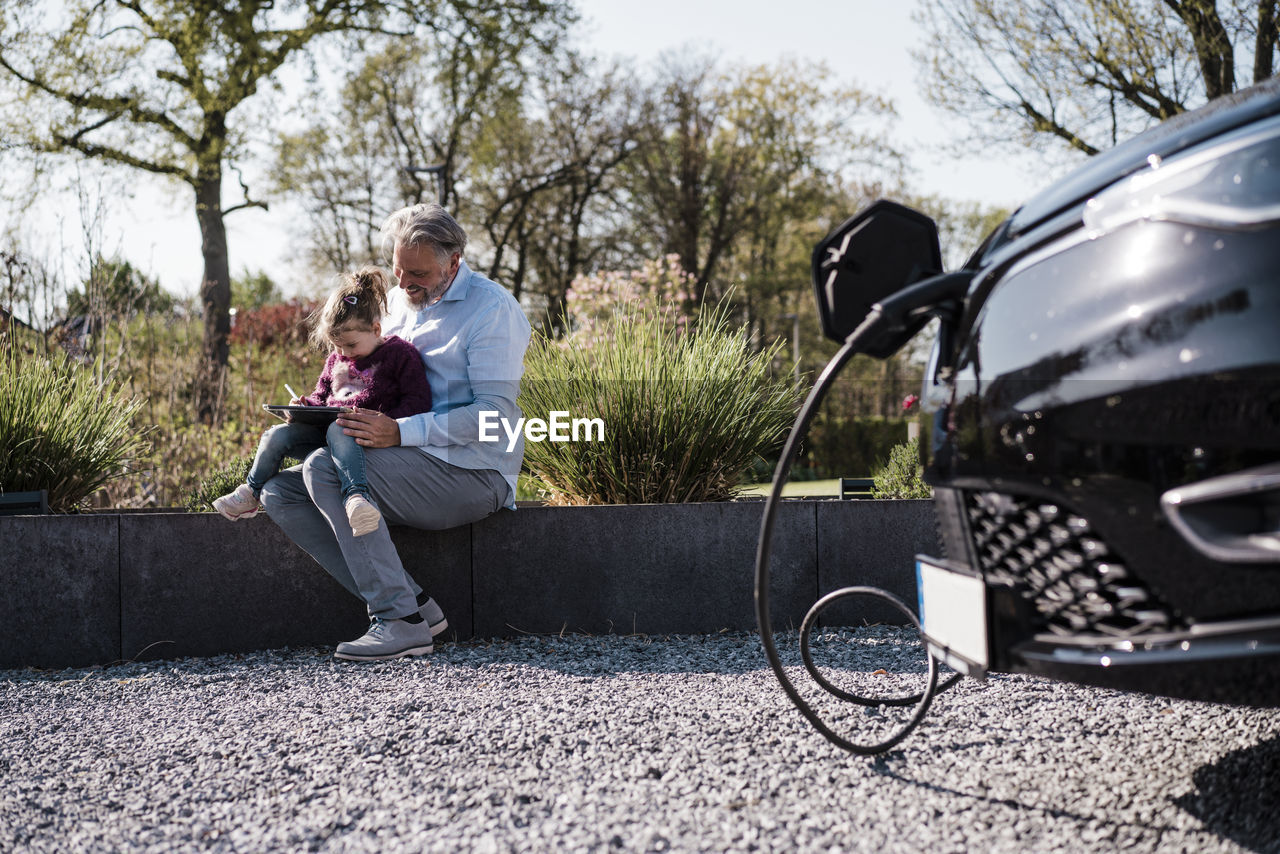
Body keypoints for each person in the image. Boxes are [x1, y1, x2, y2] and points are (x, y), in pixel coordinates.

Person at [258, 203, 532, 662]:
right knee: (277, 493)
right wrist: (318, 411)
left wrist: (399, 432)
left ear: (454, 262)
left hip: (473, 470)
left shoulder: (493, 310)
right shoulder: (398, 304)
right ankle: (418, 607)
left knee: (325, 470)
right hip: (395, 461)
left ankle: (398, 621)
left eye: (418, 274)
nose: (403, 284)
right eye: (398, 269)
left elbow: (497, 418)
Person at [213, 267, 432, 537]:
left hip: (363, 436)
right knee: (276, 435)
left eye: (350, 345)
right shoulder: (335, 360)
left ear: (376, 329)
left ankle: (356, 499)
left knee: (339, 427)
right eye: (336, 345)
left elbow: (419, 401)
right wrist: (306, 406)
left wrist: (388, 423)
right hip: (324, 434)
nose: (343, 353)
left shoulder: (400, 355)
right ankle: (250, 491)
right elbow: (322, 397)